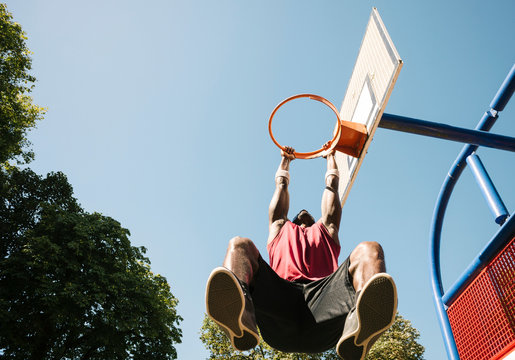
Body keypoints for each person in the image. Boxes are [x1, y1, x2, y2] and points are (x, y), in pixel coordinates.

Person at [205, 146, 397, 359]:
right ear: (292, 219)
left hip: (324, 303)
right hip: (281, 301)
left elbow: (332, 187)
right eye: (299, 214)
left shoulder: (326, 231)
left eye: (309, 215)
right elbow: (280, 186)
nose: (304, 212)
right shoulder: (280, 228)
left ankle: (360, 327)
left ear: (317, 220)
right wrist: (285, 162)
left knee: (370, 249)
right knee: (239, 244)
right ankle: (241, 318)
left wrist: (330, 158)